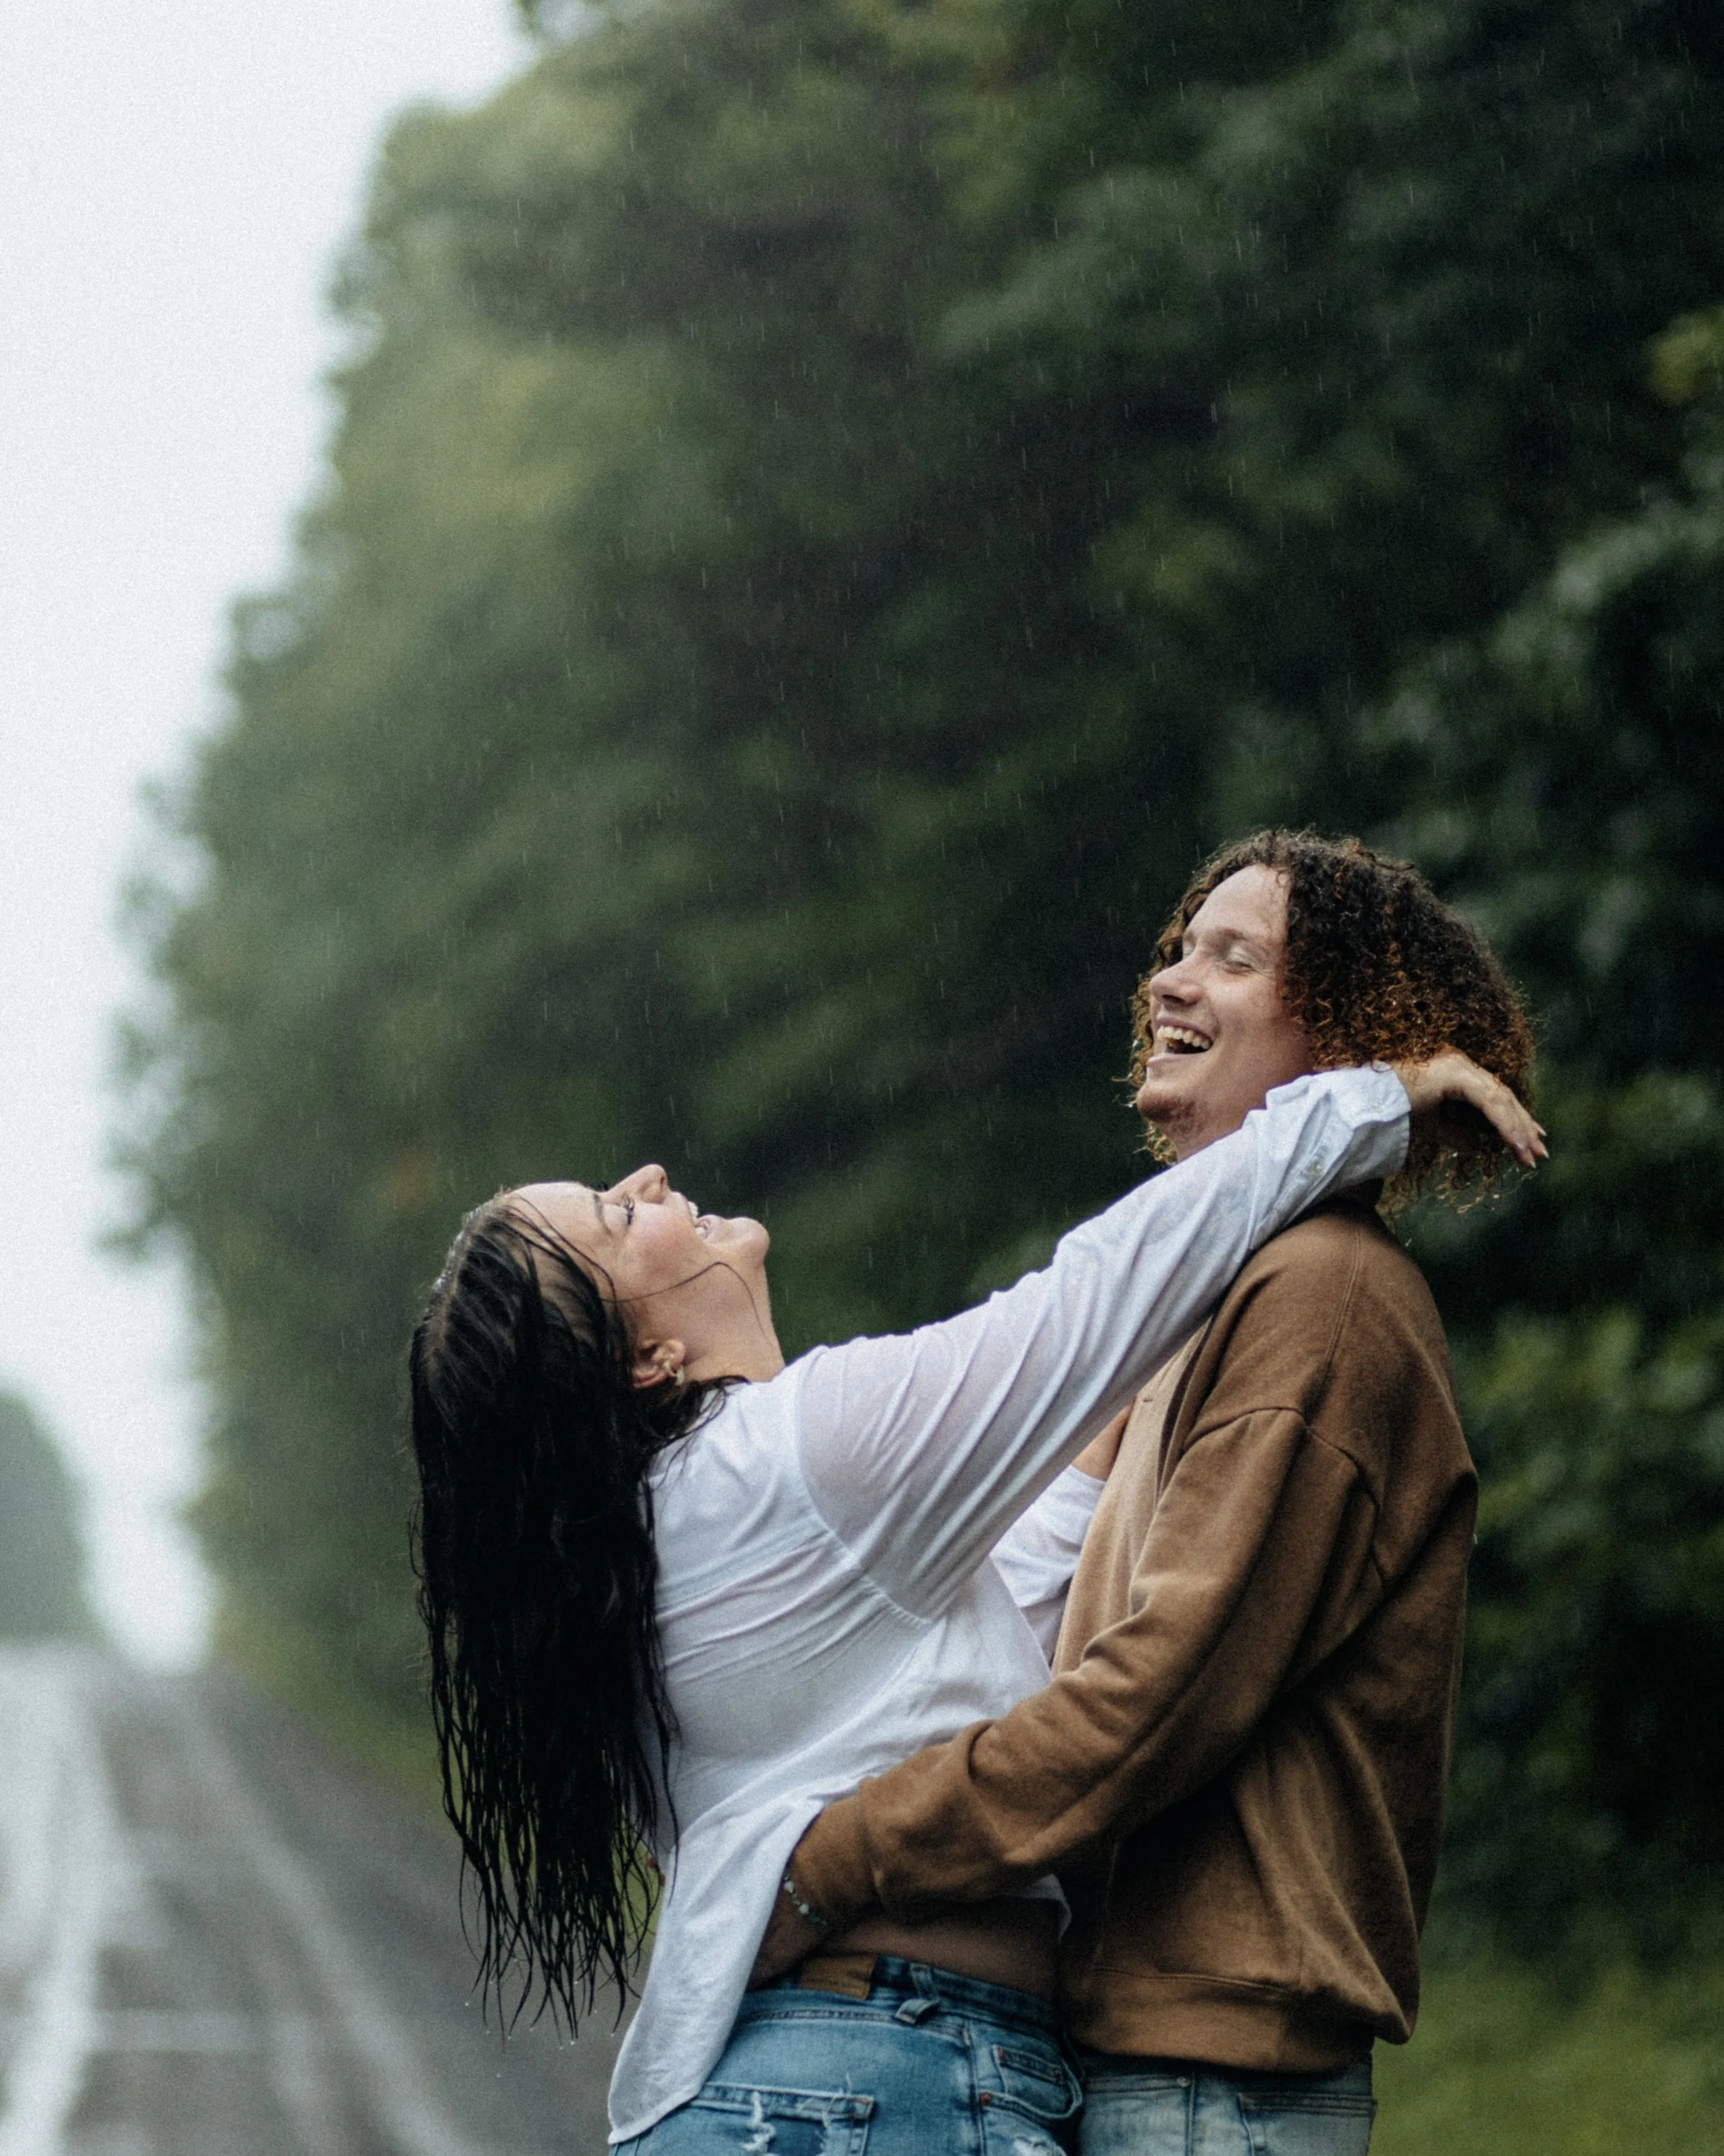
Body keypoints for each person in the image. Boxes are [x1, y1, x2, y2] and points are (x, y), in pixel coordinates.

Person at [407, 920, 1539, 2155]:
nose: (650, 1182)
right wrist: (1367, 1101)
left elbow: (1027, 1574)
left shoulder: (682, 1538)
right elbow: (1094, 1303)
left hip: (807, 2089)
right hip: (882, 2088)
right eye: (618, 1225)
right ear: (649, 1360)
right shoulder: (797, 1453)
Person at [753, 831, 1537, 2156]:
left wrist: (825, 1867)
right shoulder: (1214, 1306)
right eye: (1180, 947)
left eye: (1233, 958)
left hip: (1210, 2092)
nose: (1171, 980)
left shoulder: (1324, 1298)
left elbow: (1153, 1701)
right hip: (1141, 2067)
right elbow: (1032, 1629)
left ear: (1351, 1031)